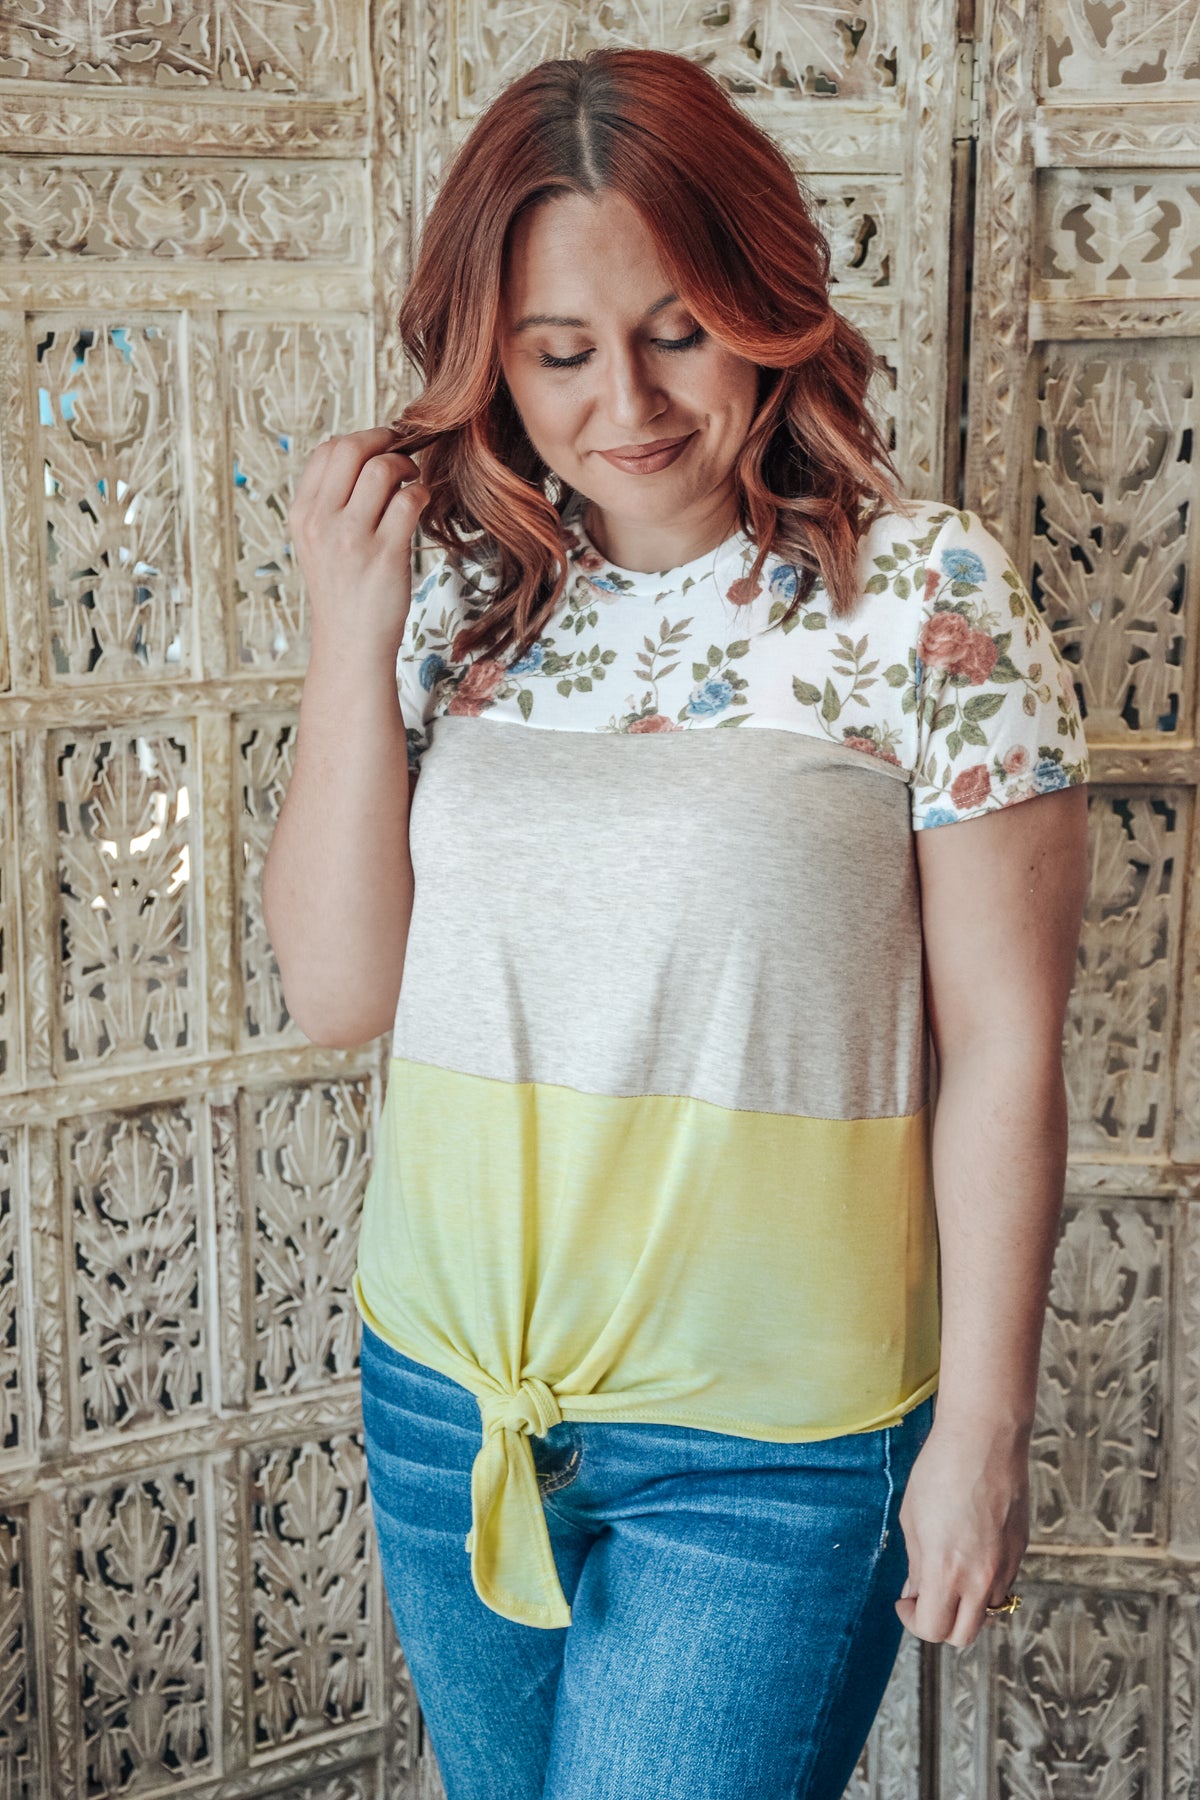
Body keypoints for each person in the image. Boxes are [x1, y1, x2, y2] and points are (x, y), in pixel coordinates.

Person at [262, 45, 1090, 1800]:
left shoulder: (926, 597)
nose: (623, 400)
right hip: (450, 1398)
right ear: (492, 356)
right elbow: (338, 989)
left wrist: (983, 1427)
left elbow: (1008, 1047)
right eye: (559, 352)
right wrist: (350, 624)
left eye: (678, 332)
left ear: (766, 308)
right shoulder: (458, 596)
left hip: (772, 1446)